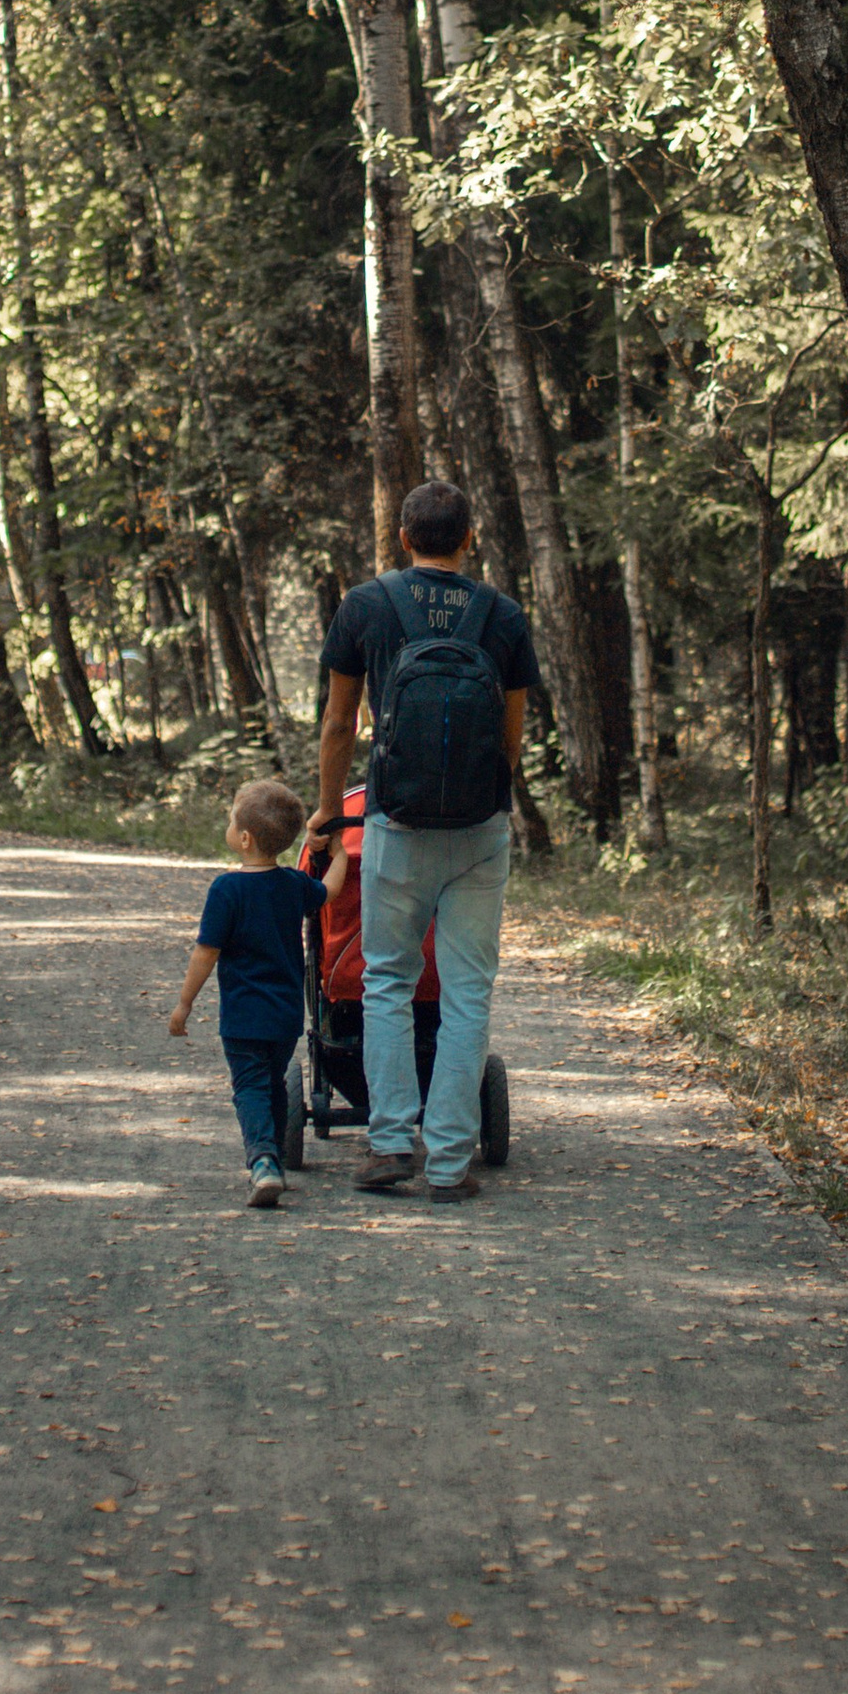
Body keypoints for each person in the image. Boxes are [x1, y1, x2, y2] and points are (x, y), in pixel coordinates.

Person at [314, 480, 536, 1204]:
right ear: (469, 539)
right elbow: (511, 734)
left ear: (403, 537)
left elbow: (340, 725)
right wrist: (484, 799)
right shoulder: (501, 616)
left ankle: (387, 1146)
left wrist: (327, 812)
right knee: (468, 992)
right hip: (479, 830)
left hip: (395, 825)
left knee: (387, 981)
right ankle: (447, 1163)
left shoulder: (366, 606)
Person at [171, 779, 350, 1208]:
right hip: (286, 1014)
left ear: (245, 839)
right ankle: (275, 1155)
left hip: (242, 1017)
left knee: (249, 1085)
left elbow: (206, 951)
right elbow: (330, 891)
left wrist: (184, 1003)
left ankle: (264, 1161)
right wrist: (340, 854)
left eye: (233, 821)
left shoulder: (226, 890)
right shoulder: (293, 884)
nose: (230, 826)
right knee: (272, 1082)